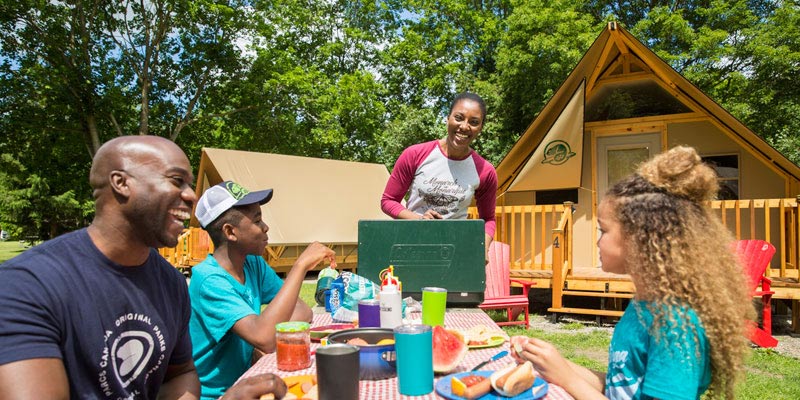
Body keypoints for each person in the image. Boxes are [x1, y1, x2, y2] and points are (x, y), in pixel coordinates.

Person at [0, 136, 286, 399]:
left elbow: (181, 375)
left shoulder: (170, 282)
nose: (191, 196)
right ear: (121, 183)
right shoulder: (27, 286)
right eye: (177, 180)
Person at [509, 146, 752, 400]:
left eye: (603, 230)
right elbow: (621, 386)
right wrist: (550, 363)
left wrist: (567, 378)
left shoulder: (675, 324)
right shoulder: (643, 305)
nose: (597, 241)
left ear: (640, 239)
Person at [189, 181, 337, 399]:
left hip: (250, 378)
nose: (265, 227)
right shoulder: (209, 280)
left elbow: (301, 310)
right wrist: (300, 266)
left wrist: (263, 330)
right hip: (220, 394)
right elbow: (266, 339)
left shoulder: (252, 264)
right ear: (230, 232)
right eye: (257, 220)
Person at [380, 92, 498, 249]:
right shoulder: (415, 154)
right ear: (448, 117)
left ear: (481, 127)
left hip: (455, 249)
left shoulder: (485, 171)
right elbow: (388, 201)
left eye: (474, 122)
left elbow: (488, 219)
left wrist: (483, 247)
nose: (464, 126)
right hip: (411, 244)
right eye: (459, 117)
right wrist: (419, 220)